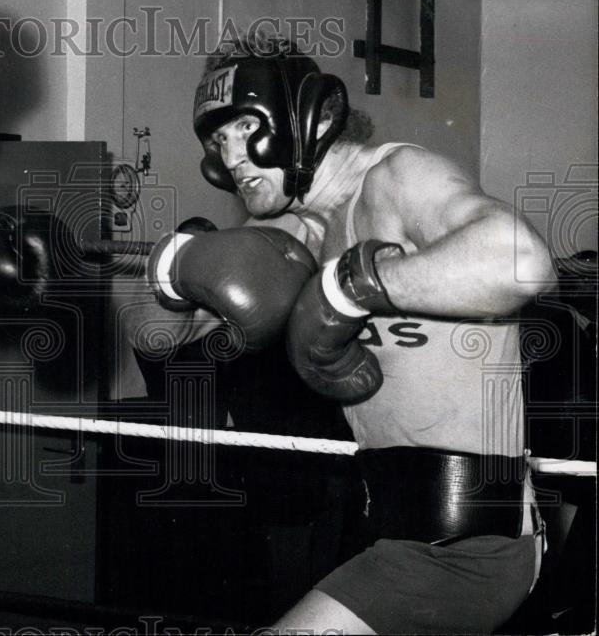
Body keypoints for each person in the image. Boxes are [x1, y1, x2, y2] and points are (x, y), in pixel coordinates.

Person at [141, 34, 555, 633]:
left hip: (470, 548)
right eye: (217, 139)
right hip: (390, 533)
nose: (230, 158)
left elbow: (523, 263)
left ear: (305, 117)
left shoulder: (395, 178)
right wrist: (173, 270)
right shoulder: (299, 231)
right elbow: (162, 341)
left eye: (243, 129)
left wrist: (356, 288)